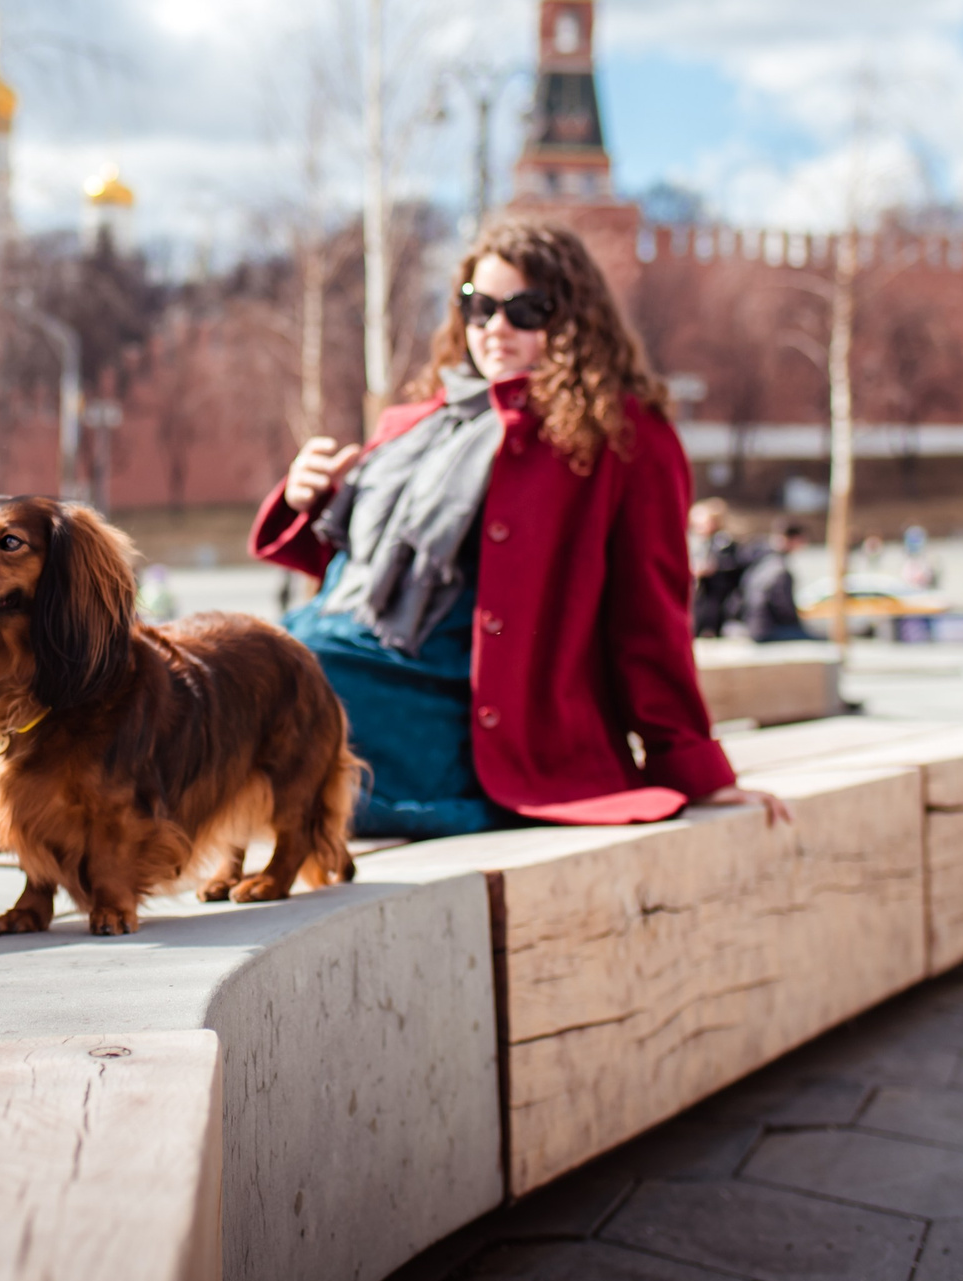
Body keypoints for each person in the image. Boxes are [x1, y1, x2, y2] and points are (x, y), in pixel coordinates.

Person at [253, 221, 786, 835]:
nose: (496, 328)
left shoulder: (622, 434)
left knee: (269, 678)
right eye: (478, 308)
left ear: (571, 319)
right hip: (354, 652)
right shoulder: (420, 421)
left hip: (465, 706)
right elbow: (367, 578)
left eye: (525, 310)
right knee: (221, 662)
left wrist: (699, 773)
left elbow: (650, 615)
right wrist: (305, 498)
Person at [741, 524, 814, 643]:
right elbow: (784, 608)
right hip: (768, 629)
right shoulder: (779, 569)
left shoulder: (763, 560)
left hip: (753, 625)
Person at [687, 498, 746, 639]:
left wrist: (709, 568)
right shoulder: (700, 541)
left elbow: (729, 565)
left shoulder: (722, 542)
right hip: (705, 595)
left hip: (719, 597)